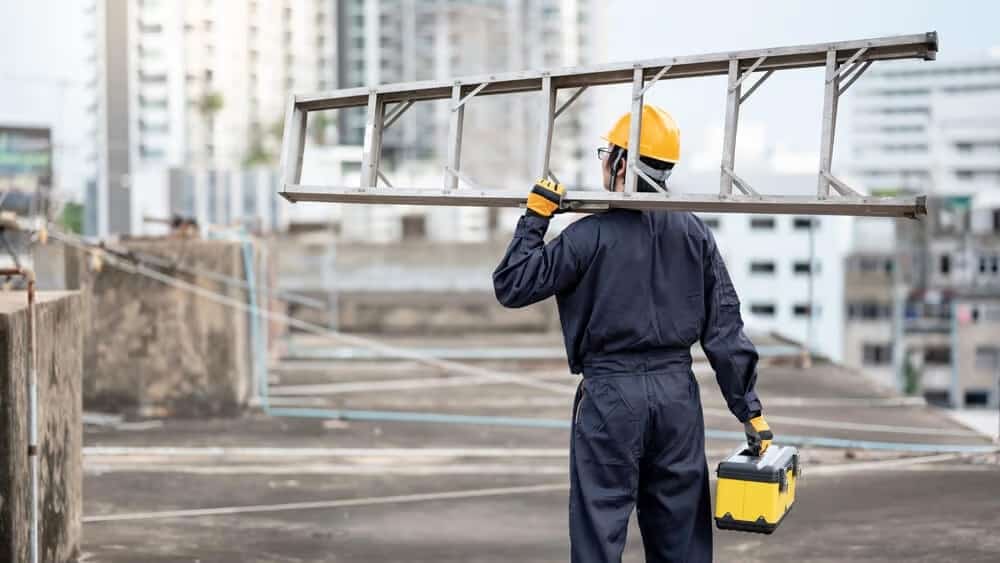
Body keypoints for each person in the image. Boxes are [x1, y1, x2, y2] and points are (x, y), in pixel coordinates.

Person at [493, 105, 772, 563]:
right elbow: (724, 325)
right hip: (677, 399)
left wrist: (535, 218)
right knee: (681, 537)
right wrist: (750, 411)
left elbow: (512, 285)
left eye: (608, 154)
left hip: (611, 398)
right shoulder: (694, 232)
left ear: (623, 163)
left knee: (599, 532)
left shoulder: (588, 236)